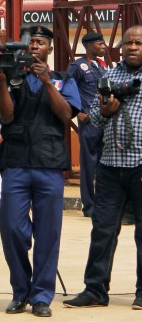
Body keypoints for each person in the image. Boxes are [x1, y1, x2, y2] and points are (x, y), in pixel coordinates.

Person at [0, 24, 81, 318]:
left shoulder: (62, 79)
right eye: (30, 42)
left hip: (49, 164)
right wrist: (4, 82)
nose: (33, 47)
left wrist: (45, 81)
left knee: (48, 233)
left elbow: (66, 114)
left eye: (40, 42)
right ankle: (21, 292)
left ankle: (41, 296)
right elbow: (6, 115)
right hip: (16, 163)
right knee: (12, 229)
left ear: (49, 50)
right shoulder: (9, 78)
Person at [64, 25, 142, 310]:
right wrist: (106, 111)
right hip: (110, 166)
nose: (132, 47)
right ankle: (95, 290)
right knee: (102, 230)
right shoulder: (110, 75)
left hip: (140, 164)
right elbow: (93, 119)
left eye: (138, 43)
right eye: (128, 43)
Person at [65, 32, 107, 217]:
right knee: (89, 165)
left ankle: (104, 203)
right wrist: (77, 112)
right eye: (100, 44)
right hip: (89, 122)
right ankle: (89, 206)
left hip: (105, 120)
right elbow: (66, 88)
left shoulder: (101, 66)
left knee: (105, 165)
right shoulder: (77, 66)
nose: (104, 46)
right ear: (89, 46)